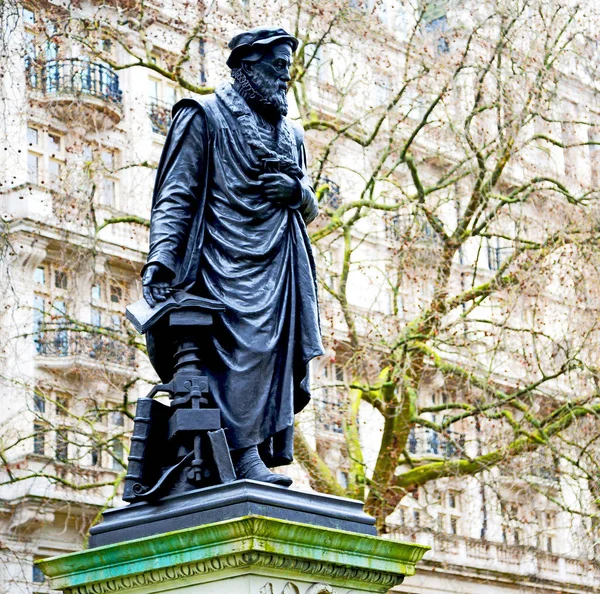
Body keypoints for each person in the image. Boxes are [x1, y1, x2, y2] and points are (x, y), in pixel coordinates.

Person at [141, 27, 324, 487]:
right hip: (222, 263)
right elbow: (176, 194)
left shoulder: (292, 133)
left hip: (280, 263)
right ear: (247, 67)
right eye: (276, 68)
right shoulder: (203, 116)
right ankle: (241, 456)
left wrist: (298, 192)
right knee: (243, 352)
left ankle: (255, 452)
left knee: (274, 358)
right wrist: (161, 258)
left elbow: (311, 207)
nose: (284, 78)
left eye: (288, 70)